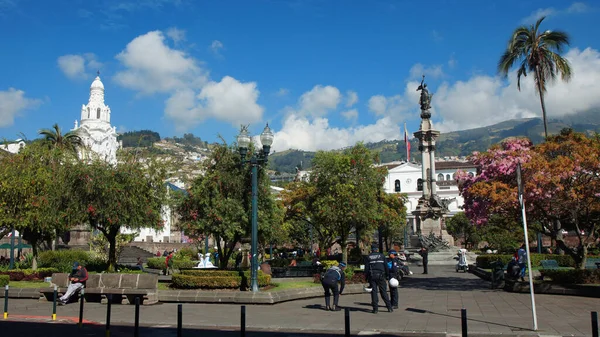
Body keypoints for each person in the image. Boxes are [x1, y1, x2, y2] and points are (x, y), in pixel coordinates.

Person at [364, 246, 393, 314]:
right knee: (383, 292)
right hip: (381, 276)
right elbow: (386, 266)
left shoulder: (368, 257)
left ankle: (375, 309)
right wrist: (387, 275)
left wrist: (366, 277)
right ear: (377, 250)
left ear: (371, 250)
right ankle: (389, 307)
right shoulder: (382, 256)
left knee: (374, 293)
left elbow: (366, 268)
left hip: (372, 276)